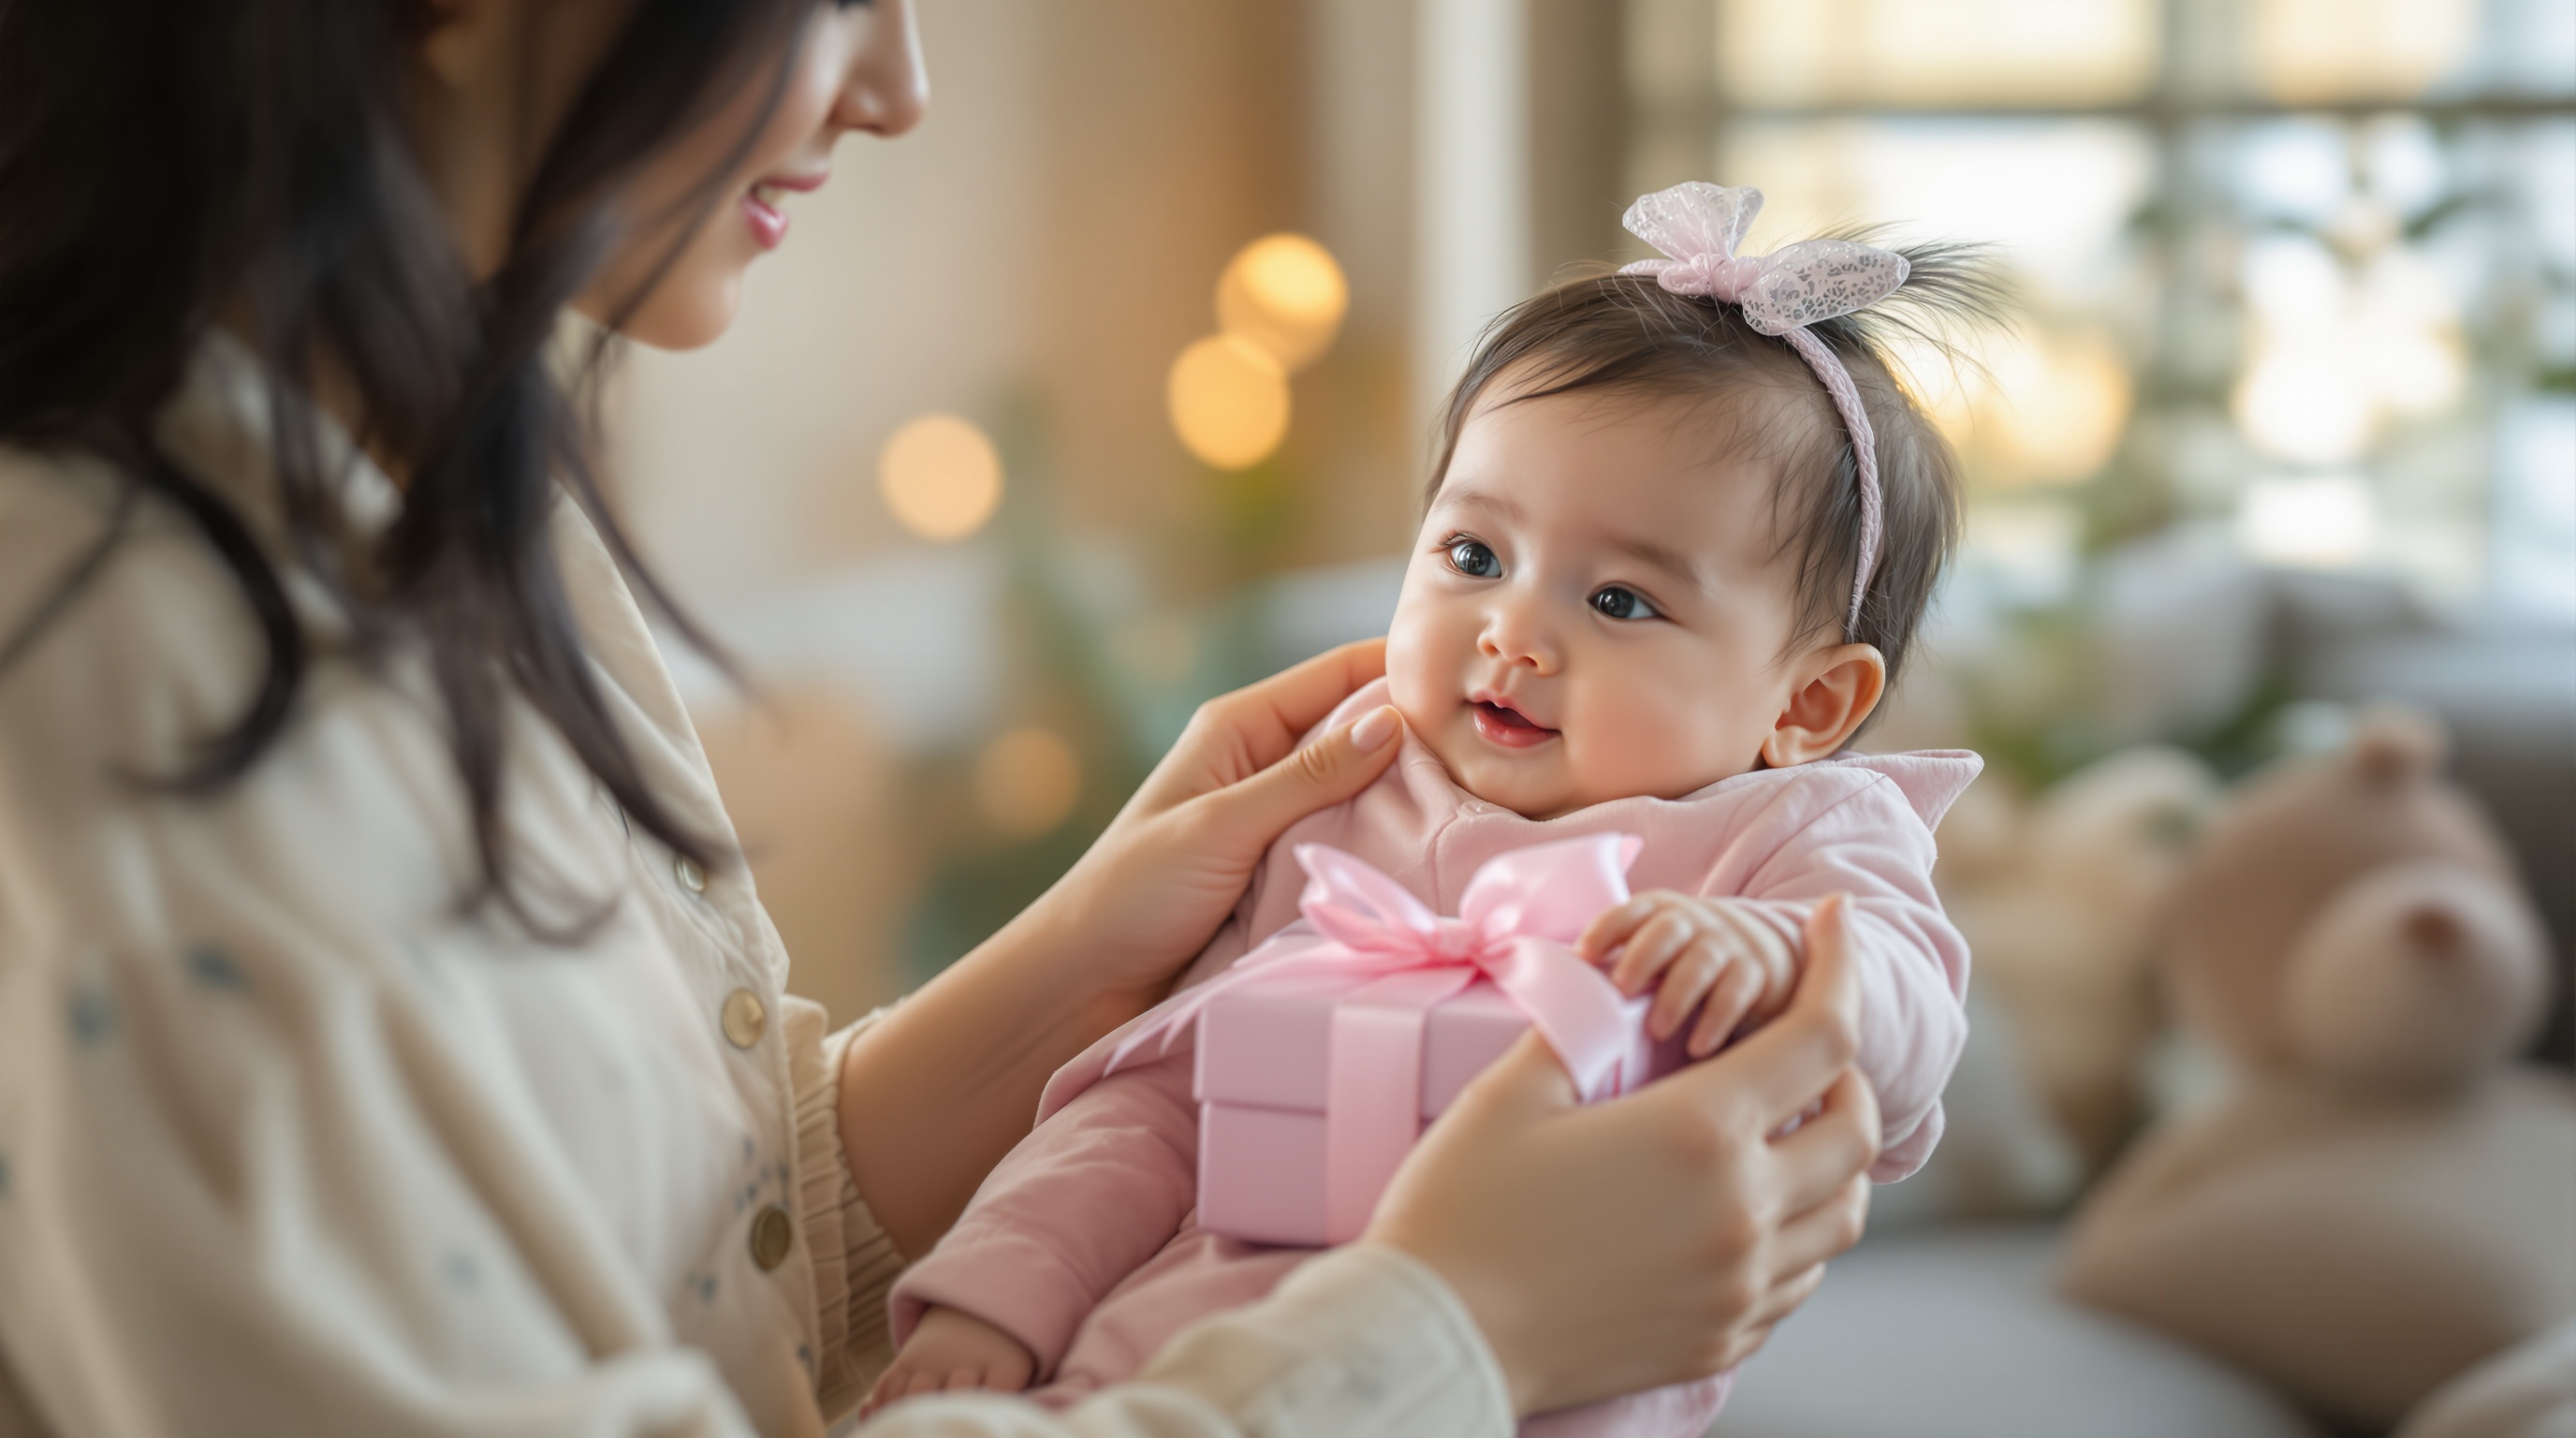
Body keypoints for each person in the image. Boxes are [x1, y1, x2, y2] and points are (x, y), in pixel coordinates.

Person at [0, 6, 1881, 1436]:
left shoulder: (440, 503)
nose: (896, 82)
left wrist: (1083, 961)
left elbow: (650, 1272)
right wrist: (1453, 1330)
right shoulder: (136, 696)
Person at [873, 185, 1995, 1435]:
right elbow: (1153, 1108)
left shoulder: (1786, 839)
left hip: (1538, 1384)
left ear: (1810, 703)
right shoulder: (1346, 802)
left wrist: (1784, 960)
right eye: (1474, 556)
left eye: (1620, 601)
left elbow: (1910, 1026)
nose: (1513, 632)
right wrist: (994, 1299)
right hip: (1193, 1368)